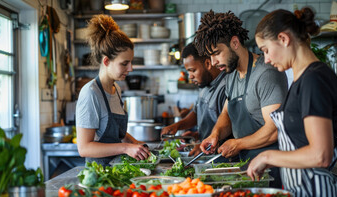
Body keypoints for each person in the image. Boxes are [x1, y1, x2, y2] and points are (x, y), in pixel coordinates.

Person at [247, 8, 337, 197]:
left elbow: (320, 155)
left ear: (283, 39)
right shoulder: (302, 79)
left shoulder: (314, 80)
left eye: (266, 50)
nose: (266, 59)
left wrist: (266, 156)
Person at [195, 10, 288, 188]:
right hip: (246, 166)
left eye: (217, 53)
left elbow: (274, 130)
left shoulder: (266, 73)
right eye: (210, 56)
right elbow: (226, 115)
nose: (213, 62)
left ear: (235, 42)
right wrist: (215, 135)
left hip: (268, 170)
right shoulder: (231, 74)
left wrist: (237, 143)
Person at [76, 15, 150, 166]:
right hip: (99, 175)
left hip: (117, 170)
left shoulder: (116, 88)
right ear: (106, 61)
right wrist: (126, 148)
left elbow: (117, 134)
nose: (130, 69)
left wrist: (135, 144)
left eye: (130, 62)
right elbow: (84, 148)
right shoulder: (90, 93)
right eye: (124, 63)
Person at [161, 42, 229, 157]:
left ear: (208, 63)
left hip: (218, 156)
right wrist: (178, 126)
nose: (190, 76)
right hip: (204, 150)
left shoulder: (225, 87)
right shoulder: (204, 84)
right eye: (188, 71)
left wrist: (205, 145)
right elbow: (196, 113)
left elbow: (228, 128)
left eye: (192, 70)